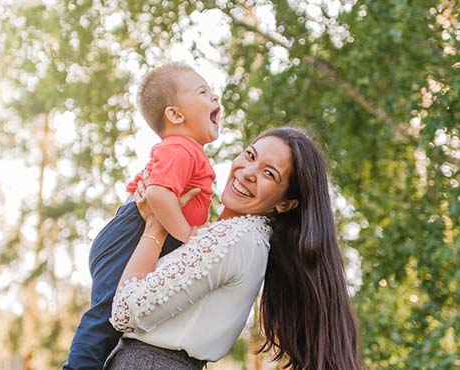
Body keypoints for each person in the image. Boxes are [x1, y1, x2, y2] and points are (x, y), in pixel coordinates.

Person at [108, 127, 363, 370]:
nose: (248, 172)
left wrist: (155, 227)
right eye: (250, 155)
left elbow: (125, 312)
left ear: (285, 204)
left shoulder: (234, 237)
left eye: (269, 173)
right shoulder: (246, 239)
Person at [63, 63, 221, 370]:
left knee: (120, 318)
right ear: (175, 115)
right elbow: (158, 195)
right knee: (106, 313)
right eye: (203, 92)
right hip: (130, 232)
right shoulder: (181, 149)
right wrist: (188, 236)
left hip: (131, 236)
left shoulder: (188, 152)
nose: (215, 97)